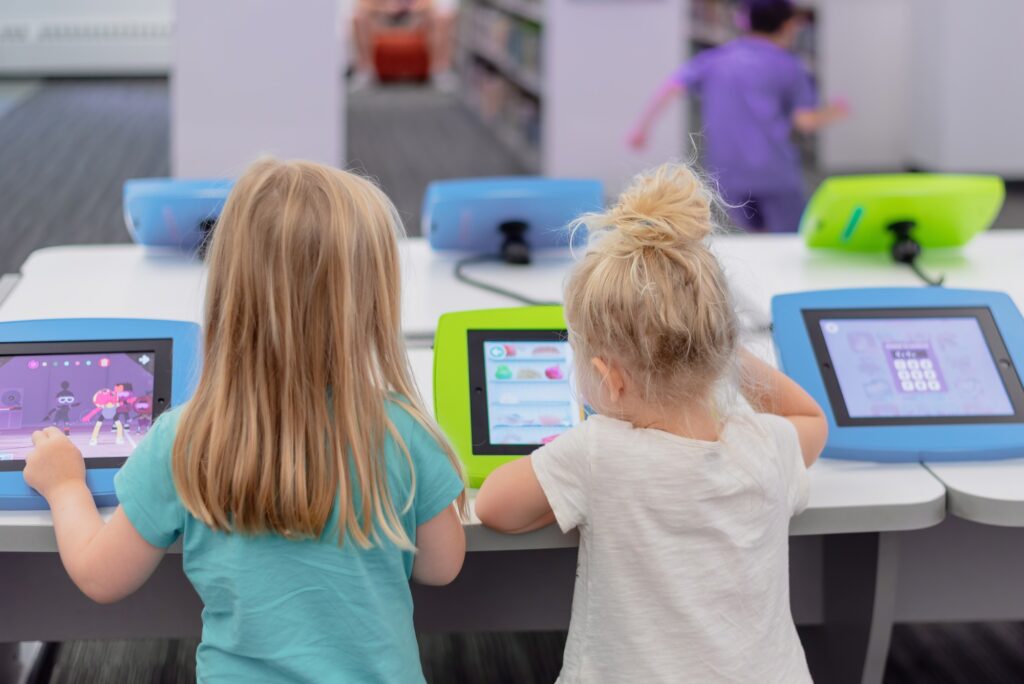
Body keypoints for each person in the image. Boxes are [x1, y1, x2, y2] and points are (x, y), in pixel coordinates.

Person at [23, 159, 468, 682]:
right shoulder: (401, 431)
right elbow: (441, 567)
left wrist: (64, 484)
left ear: (229, 294)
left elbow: (100, 576)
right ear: (371, 304)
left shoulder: (187, 439)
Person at [475, 163, 828, 683]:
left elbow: (495, 506)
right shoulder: (767, 443)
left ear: (608, 378)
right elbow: (810, 417)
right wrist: (720, 352)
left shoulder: (599, 453)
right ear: (721, 346)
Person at [629, 0, 849, 232]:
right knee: (788, 239)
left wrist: (642, 129)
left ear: (744, 21)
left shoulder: (715, 58)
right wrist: (836, 111)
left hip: (727, 172)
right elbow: (805, 121)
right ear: (788, 25)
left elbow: (671, 87)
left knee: (749, 238)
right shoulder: (789, 66)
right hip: (774, 170)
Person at [352, 0, 459, 92]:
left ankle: (440, 71)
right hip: (383, 20)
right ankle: (365, 71)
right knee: (359, 17)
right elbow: (364, 4)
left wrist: (412, 9)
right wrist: (387, 8)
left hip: (414, 19)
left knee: (443, 17)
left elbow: (429, 4)